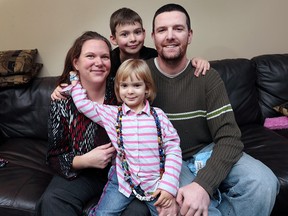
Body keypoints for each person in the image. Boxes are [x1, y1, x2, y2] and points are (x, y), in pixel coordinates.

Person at [146, 3, 279, 216]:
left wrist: (203, 185)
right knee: (184, 204)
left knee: (263, 183)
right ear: (153, 37)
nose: (170, 36)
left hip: (207, 152)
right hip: (167, 160)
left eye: (178, 29)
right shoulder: (140, 76)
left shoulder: (207, 77)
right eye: (162, 30)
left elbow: (229, 138)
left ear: (189, 35)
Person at [36, 31, 151, 216]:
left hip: (126, 173)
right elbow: (54, 156)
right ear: (76, 63)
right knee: (52, 200)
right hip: (84, 174)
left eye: (104, 57)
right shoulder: (63, 100)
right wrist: (84, 160)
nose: (99, 62)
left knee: (138, 210)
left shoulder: (125, 91)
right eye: (90, 56)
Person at [65, 58, 182, 216]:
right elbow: (83, 104)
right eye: (124, 86)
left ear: (147, 88)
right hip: (122, 183)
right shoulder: (112, 114)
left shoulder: (159, 116)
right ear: (118, 89)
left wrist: (168, 186)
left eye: (136, 85)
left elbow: (173, 149)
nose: (130, 91)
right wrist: (74, 80)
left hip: (155, 185)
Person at [109, 7, 209, 78]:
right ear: (113, 39)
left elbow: (174, 61)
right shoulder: (110, 62)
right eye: (124, 34)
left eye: (137, 32)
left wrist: (196, 60)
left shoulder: (153, 56)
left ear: (144, 34)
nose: (133, 39)